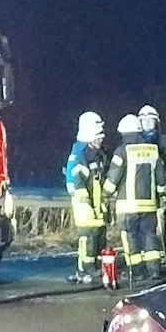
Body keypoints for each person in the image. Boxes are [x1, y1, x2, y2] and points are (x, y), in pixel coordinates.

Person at [106, 114, 166, 282]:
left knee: (130, 237)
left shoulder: (121, 151)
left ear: (124, 133)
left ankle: (136, 271)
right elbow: (161, 179)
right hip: (149, 205)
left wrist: (105, 194)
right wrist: (161, 196)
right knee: (149, 236)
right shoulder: (153, 150)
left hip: (128, 206)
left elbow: (113, 178)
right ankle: (154, 270)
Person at [64, 111, 111, 284]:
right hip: (84, 203)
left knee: (99, 235)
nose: (101, 140)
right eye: (98, 137)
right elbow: (77, 181)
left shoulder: (97, 154)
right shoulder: (81, 155)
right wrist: (85, 202)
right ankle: (85, 267)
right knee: (88, 236)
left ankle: (96, 266)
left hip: (96, 202)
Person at [137, 104, 166, 256]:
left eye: (150, 121)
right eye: (144, 121)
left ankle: (161, 255)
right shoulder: (135, 143)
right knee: (141, 226)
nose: (147, 124)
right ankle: (144, 256)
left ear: (156, 122)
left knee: (159, 223)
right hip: (141, 191)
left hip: (161, 190)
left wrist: (165, 162)